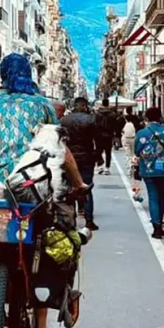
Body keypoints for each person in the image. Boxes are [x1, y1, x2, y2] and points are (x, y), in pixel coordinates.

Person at [0, 53, 86, 328]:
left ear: (3, 74)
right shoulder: (42, 104)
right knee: (47, 246)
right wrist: (79, 182)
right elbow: (60, 150)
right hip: (33, 190)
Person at [133, 107, 164, 239]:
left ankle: (156, 226)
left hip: (148, 169)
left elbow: (136, 150)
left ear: (146, 118)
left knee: (153, 196)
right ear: (160, 117)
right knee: (161, 196)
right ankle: (160, 225)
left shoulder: (142, 133)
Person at [61, 97, 99, 230]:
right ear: (84, 106)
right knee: (87, 187)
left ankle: (71, 220)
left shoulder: (64, 120)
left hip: (69, 158)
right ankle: (89, 220)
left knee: (70, 188)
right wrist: (98, 155)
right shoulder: (91, 119)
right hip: (87, 157)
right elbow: (97, 139)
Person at [94, 97, 118, 175]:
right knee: (108, 152)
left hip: (98, 135)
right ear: (108, 104)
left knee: (98, 151)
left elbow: (95, 124)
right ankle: (107, 168)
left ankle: (100, 165)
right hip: (109, 135)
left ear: (102, 104)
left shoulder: (97, 113)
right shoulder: (113, 114)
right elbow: (115, 125)